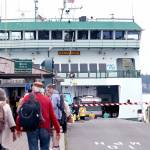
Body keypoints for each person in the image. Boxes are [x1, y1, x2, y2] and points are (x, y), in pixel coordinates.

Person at [16, 81, 60, 150]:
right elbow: (53, 116)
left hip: (31, 127)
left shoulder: (27, 98)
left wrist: (18, 128)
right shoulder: (47, 99)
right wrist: (58, 130)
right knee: (45, 148)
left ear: (33, 88)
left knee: (33, 148)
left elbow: (21, 113)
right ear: (42, 89)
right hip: (45, 127)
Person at [46, 84, 63, 149]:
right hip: (55, 116)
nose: (47, 91)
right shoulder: (56, 95)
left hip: (55, 117)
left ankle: (56, 146)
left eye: (48, 89)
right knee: (54, 131)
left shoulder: (54, 96)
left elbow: (53, 106)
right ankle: (55, 146)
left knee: (55, 131)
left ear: (51, 89)